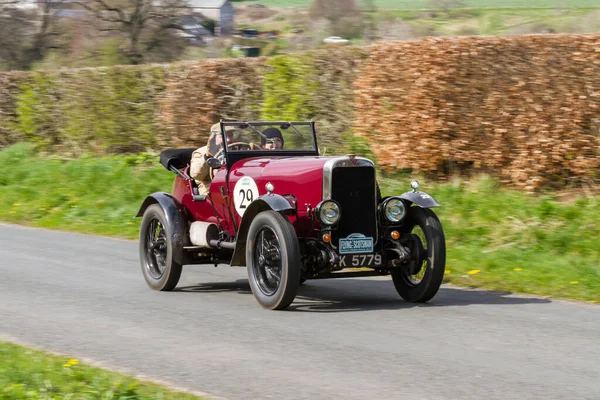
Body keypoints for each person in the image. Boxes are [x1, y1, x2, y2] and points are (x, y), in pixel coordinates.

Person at [190, 123, 235, 195]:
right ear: (213, 138)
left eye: (230, 135)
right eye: (223, 136)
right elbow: (196, 175)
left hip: (234, 184)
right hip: (209, 188)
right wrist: (207, 157)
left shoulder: (237, 149)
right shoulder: (201, 153)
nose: (228, 139)